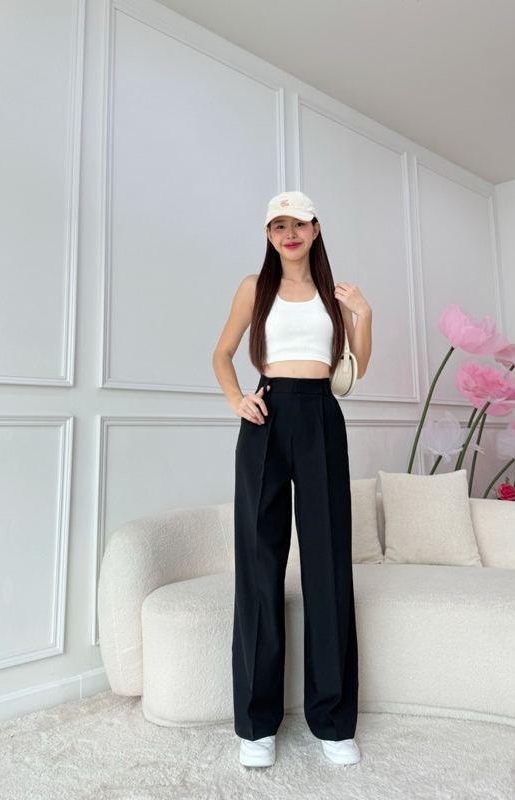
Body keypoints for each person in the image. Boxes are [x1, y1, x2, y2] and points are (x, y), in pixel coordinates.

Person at [212, 191, 373, 768]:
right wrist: (237, 399)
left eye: (298, 223)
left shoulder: (335, 294)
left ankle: (332, 721)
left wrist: (364, 315)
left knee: (327, 564)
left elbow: (354, 368)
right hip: (267, 416)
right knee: (260, 563)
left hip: (321, 415)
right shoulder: (253, 288)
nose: (289, 233)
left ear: (315, 228)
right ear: (269, 234)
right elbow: (223, 354)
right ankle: (256, 725)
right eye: (278, 225)